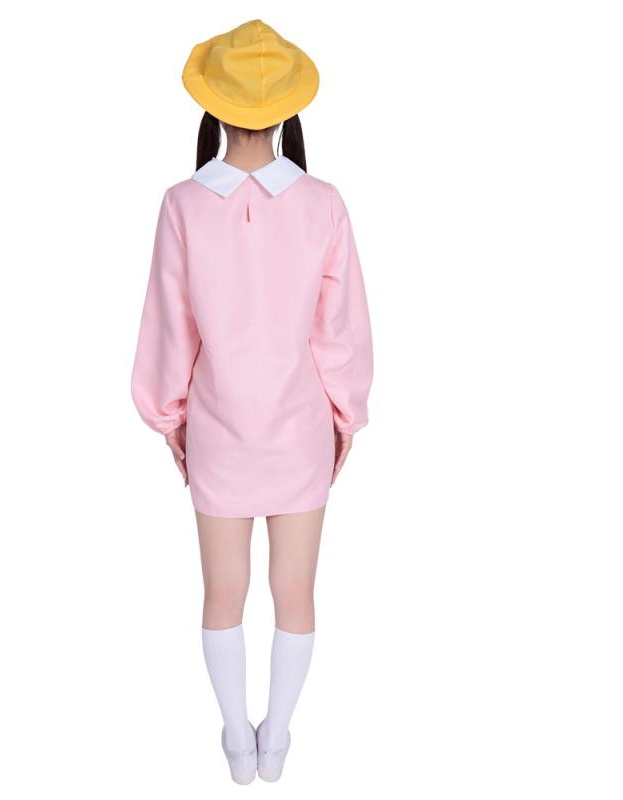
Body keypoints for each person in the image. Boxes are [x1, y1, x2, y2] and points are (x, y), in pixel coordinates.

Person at [130, 19, 374, 783]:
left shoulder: (181, 203)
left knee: (222, 593)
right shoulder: (323, 202)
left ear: (213, 105)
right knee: (295, 593)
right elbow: (339, 328)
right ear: (287, 109)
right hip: (300, 428)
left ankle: (237, 737)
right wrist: (346, 415)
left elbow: (170, 324)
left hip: (217, 427)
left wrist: (169, 417)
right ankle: (279, 740)